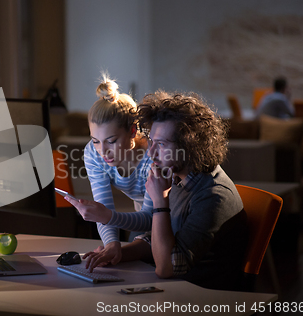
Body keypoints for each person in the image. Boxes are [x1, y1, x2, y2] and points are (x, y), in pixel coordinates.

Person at [82, 90, 247, 290]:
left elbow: (165, 268)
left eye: (160, 144)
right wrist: (117, 254)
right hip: (174, 287)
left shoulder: (213, 196)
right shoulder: (177, 177)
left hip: (202, 297)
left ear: (188, 146)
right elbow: (156, 240)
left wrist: (160, 202)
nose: (151, 152)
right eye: (151, 141)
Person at [65, 74, 153, 267]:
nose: (103, 151)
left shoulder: (154, 155)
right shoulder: (93, 153)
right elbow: (103, 206)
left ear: (132, 131)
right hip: (140, 223)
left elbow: (152, 217)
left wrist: (107, 217)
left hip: (173, 222)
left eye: (111, 141)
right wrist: (111, 243)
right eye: (95, 141)